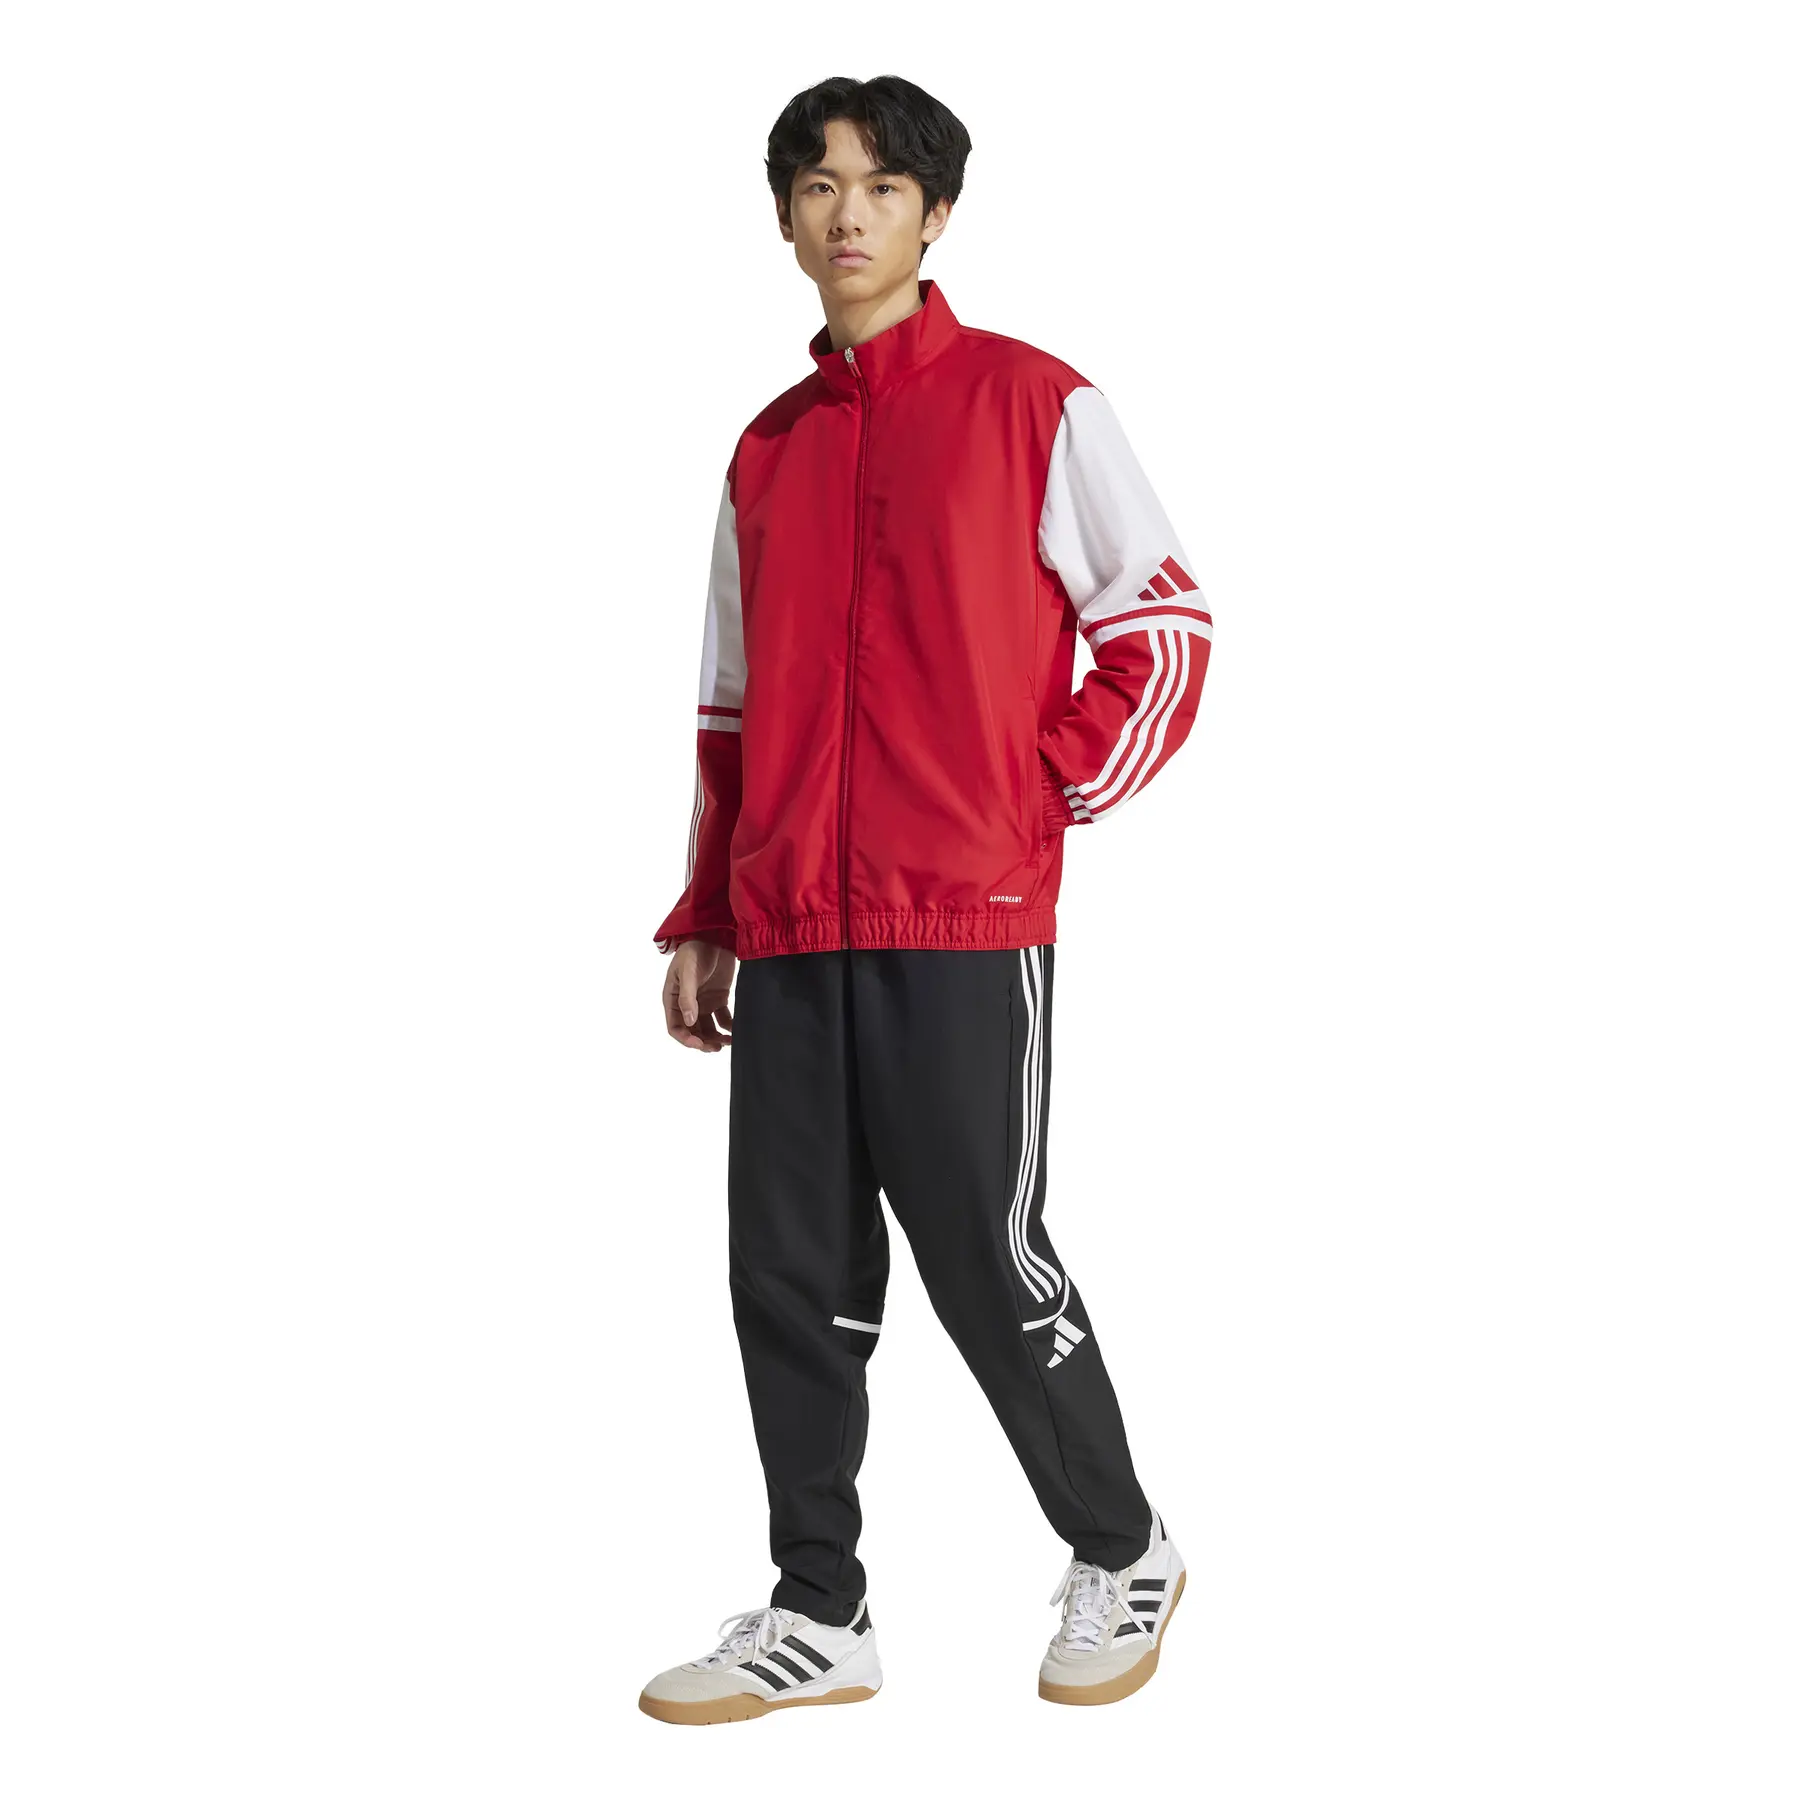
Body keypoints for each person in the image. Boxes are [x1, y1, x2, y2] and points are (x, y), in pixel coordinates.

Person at [640, 74, 1213, 1725]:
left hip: (961, 917)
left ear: (935, 214)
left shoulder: (1035, 402)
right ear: (783, 216)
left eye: (883, 187)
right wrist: (709, 907)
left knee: (982, 1253)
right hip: (792, 926)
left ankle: (1124, 1545)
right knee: (787, 1273)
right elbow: (732, 706)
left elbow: (1165, 626)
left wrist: (1041, 792)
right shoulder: (767, 447)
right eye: (819, 185)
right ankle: (819, 1610)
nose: (849, 214)